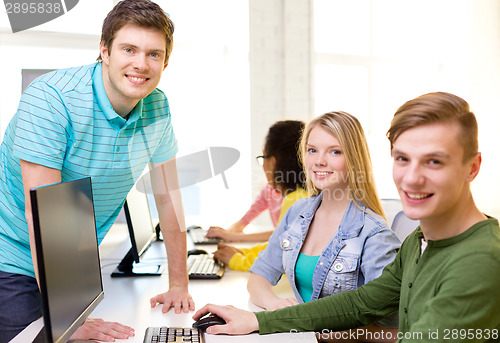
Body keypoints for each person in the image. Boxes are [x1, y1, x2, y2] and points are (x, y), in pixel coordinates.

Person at [193, 92, 500, 342]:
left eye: (434, 161)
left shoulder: (478, 262)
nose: (411, 178)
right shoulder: (420, 241)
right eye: (402, 159)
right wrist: (262, 320)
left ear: (472, 168)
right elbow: (358, 304)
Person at [0, 1, 193, 342]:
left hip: (71, 263)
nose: (140, 64)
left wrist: (178, 283)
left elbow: (168, 199)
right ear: (104, 51)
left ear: (166, 61)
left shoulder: (157, 107)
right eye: (129, 49)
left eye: (153, 54)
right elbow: (45, 214)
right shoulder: (50, 100)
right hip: (12, 259)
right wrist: (69, 320)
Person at [247, 112, 400, 341]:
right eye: (312, 150)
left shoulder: (374, 234)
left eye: (335, 151)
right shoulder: (298, 213)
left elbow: (391, 331)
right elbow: (258, 276)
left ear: (354, 159)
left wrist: (307, 328)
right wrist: (275, 306)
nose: (319, 160)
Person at [211, 120, 309, 270]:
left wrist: (238, 260)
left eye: (263, 158)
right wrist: (244, 252)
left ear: (273, 162)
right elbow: (278, 246)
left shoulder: (295, 201)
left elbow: (279, 262)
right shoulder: (302, 195)